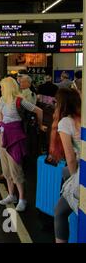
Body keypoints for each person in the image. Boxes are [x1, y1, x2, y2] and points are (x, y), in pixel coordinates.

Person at [0, 77, 46, 212]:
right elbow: (0, 117)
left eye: (3, 86)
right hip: (2, 135)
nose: (1, 88)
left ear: (8, 87)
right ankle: (11, 195)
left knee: (16, 168)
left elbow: (39, 111)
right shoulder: (3, 100)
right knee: (6, 169)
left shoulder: (20, 101)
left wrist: (40, 126)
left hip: (15, 137)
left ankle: (22, 198)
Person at [51, 88, 81, 243]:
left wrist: (75, 176)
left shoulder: (65, 122)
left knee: (59, 211)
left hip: (82, 171)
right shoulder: (81, 119)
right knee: (65, 172)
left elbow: (70, 158)